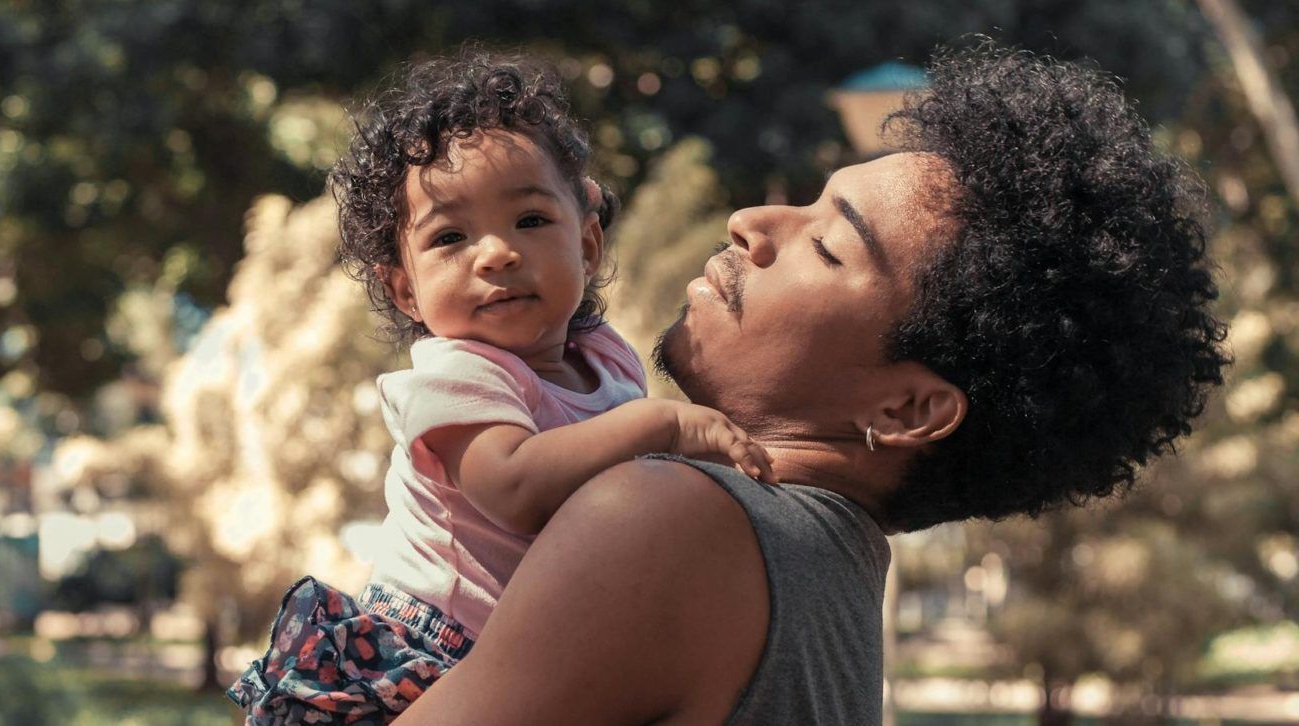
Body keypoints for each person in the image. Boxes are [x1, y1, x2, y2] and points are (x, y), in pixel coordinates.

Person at [392, 42, 1229, 724]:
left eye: (829, 246)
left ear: (907, 408)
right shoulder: (823, 574)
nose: (753, 223)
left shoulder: (669, 520)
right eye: (809, 204)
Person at [227, 52, 775, 724]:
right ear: (405, 289)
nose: (497, 254)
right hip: (428, 655)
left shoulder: (606, 357)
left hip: (533, 652)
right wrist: (666, 425)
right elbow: (515, 489)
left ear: (588, 246)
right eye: (451, 236)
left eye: (531, 221)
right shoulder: (455, 374)